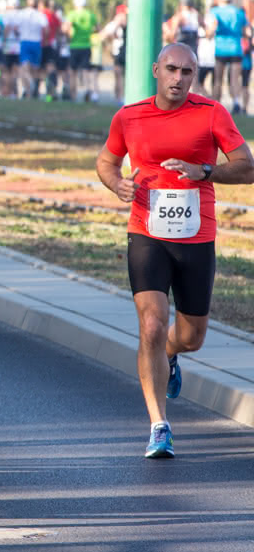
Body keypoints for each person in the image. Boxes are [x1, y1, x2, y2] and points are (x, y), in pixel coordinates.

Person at [95, 43, 254, 458]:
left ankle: (170, 352)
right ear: (155, 70)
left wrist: (206, 170)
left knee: (191, 336)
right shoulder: (129, 116)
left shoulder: (211, 114)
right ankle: (158, 426)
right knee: (150, 324)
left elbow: (248, 165)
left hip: (196, 237)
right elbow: (107, 161)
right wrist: (117, 184)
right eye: (171, 69)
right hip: (146, 232)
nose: (179, 78)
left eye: (187, 71)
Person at [206, 0, 247, 109]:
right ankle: (236, 102)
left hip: (221, 49)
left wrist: (208, 34)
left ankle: (215, 104)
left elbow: (211, 29)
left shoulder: (215, 12)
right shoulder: (239, 12)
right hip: (236, 49)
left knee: (218, 79)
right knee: (234, 79)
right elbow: (245, 31)